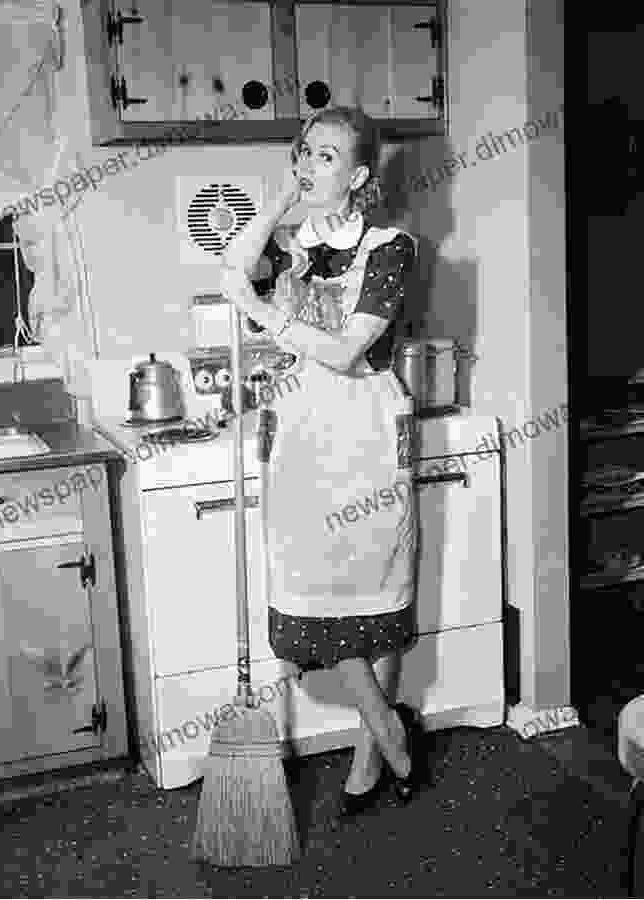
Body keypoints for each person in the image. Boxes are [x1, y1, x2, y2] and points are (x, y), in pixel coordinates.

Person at [220, 106, 421, 817]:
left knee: (379, 588)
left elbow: (346, 349)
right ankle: (390, 723)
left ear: (360, 174)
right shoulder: (289, 242)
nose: (310, 163)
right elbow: (232, 269)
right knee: (311, 592)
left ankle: (372, 750)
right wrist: (283, 193)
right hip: (301, 431)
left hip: (368, 428)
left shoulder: (394, 247)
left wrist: (263, 311)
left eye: (327, 156)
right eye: (305, 151)